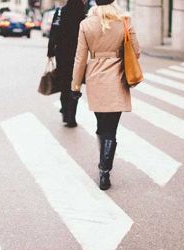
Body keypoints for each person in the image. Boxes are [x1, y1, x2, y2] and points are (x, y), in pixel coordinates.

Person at [71, 0, 140, 190]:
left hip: (95, 79)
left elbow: (80, 57)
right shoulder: (125, 21)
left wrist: (75, 86)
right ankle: (104, 171)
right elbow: (137, 51)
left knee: (101, 126)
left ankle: (103, 166)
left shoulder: (86, 24)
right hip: (117, 79)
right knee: (111, 129)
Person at [47, 0, 87, 128]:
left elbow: (53, 32)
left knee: (64, 83)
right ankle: (71, 116)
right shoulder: (84, 15)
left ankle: (65, 110)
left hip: (62, 54)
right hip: (78, 55)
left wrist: (50, 51)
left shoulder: (60, 12)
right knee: (75, 84)